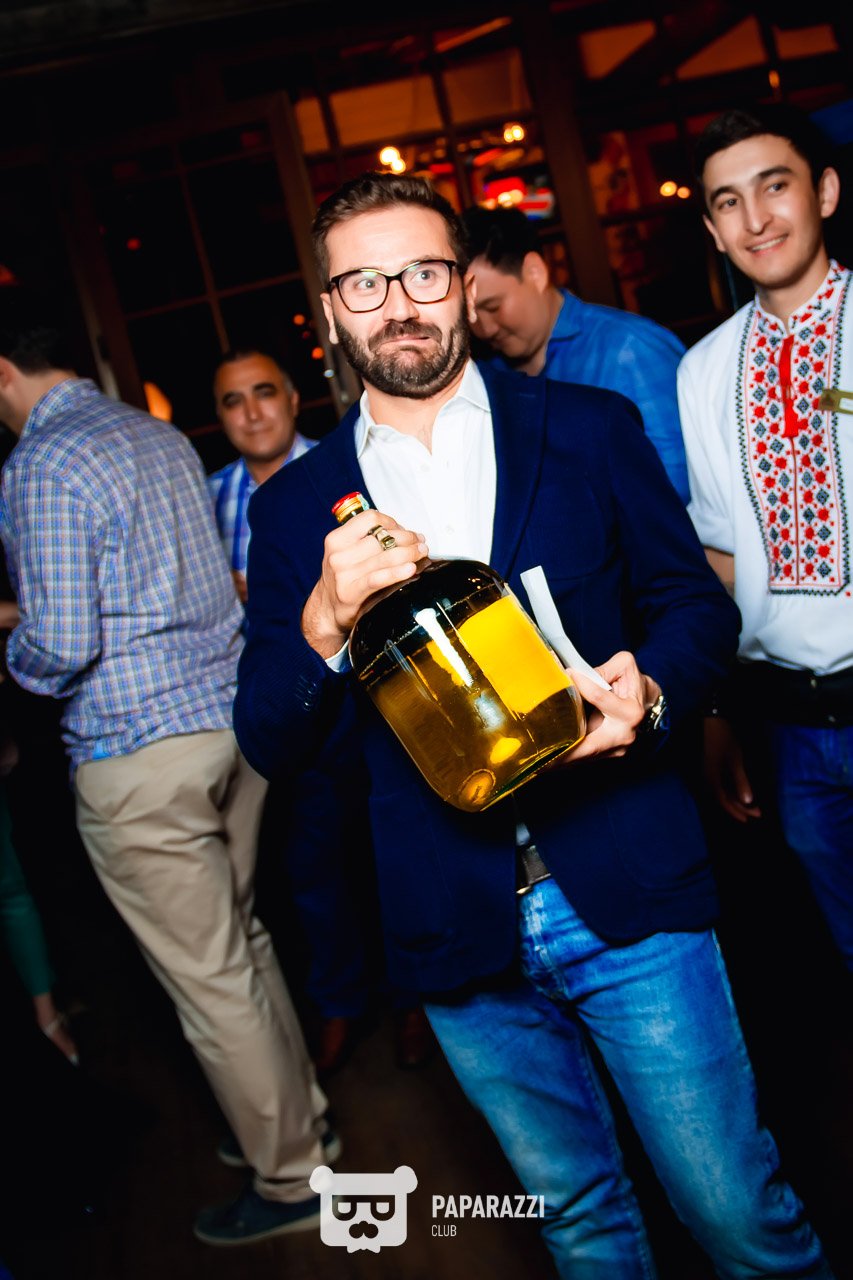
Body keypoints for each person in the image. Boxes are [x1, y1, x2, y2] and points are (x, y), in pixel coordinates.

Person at [233, 171, 833, 1278]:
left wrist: (652, 694)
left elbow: (695, 608)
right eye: (364, 283)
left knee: (734, 1212)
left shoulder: (586, 429)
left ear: (463, 285)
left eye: (421, 273)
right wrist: (322, 624)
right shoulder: (290, 511)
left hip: (626, 880)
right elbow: (271, 740)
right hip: (452, 925)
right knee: (581, 1225)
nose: (397, 305)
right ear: (328, 310)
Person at [0, 291, 336, 1247]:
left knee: (212, 977)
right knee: (244, 943)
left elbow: (63, 643)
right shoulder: (155, 436)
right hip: (227, 728)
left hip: (138, 752)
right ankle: (301, 1125)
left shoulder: (39, 464)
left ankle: (292, 1179)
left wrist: (11, 651)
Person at [209, 348, 432, 1071]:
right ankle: (340, 1001)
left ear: (291, 397)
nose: (252, 412)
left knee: (392, 864)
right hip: (281, 704)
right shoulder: (207, 499)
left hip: (371, 703)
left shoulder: (344, 472)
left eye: (263, 392)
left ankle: (415, 1002)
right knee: (314, 872)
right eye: (233, 401)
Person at [678, 104, 852, 974]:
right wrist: (717, 714)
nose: (755, 219)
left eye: (773, 186)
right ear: (713, 230)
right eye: (728, 202)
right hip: (791, 724)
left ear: (823, 191)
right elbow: (716, 561)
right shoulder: (701, 370)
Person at [462, 203, 691, 503]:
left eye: (493, 307)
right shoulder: (488, 373)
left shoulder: (628, 349)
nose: (485, 329)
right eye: (470, 315)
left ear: (534, 273)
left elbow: (677, 486)